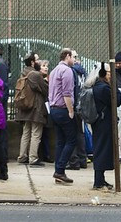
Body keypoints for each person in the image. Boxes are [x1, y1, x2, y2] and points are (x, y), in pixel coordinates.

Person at [89, 62, 121, 190]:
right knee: (102, 150)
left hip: (99, 122)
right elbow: (117, 101)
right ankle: (98, 181)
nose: (110, 75)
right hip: (104, 122)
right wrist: (115, 86)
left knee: (100, 149)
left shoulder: (96, 86)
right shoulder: (104, 88)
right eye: (109, 73)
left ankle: (100, 179)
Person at [48, 48, 76, 184]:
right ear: (67, 56)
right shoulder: (67, 71)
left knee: (60, 141)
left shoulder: (54, 71)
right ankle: (60, 170)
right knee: (71, 140)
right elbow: (67, 93)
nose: (75, 60)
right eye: (74, 57)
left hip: (53, 109)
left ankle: (59, 171)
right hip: (62, 109)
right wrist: (71, 110)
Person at [15, 52, 48, 167]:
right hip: (35, 107)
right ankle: (33, 158)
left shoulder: (24, 73)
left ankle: (22, 156)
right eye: (38, 59)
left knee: (26, 132)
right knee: (36, 133)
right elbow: (45, 90)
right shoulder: (35, 74)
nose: (40, 61)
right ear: (33, 62)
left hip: (25, 107)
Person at [68, 51, 88, 170]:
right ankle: (82, 159)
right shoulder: (82, 71)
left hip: (75, 105)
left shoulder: (72, 71)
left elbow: (71, 90)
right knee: (80, 133)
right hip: (82, 105)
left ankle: (74, 160)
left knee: (72, 133)